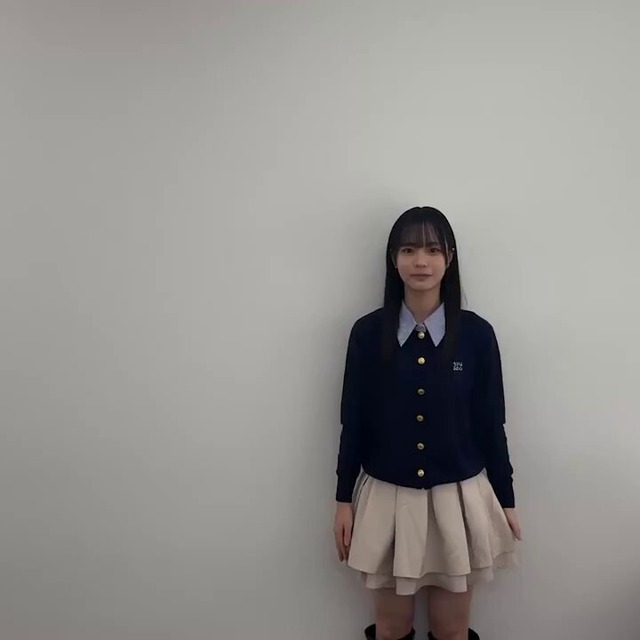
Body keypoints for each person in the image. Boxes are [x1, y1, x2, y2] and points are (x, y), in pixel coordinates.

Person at [333, 206, 521, 640]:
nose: (421, 261)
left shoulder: (476, 335)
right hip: (386, 497)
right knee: (391, 628)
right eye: (409, 250)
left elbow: (491, 423)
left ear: (449, 258)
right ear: (393, 259)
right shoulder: (367, 333)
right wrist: (343, 498)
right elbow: (353, 420)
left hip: (458, 498)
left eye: (433, 250)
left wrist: (506, 499)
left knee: (451, 630)